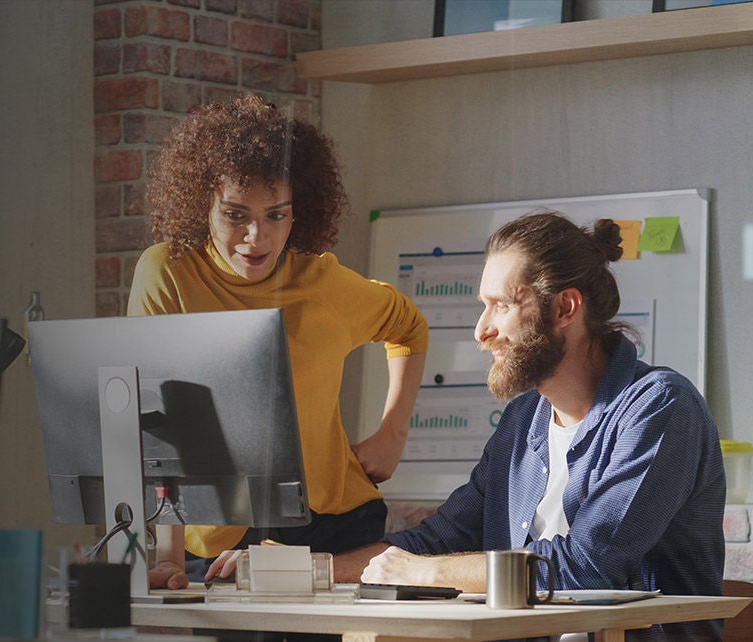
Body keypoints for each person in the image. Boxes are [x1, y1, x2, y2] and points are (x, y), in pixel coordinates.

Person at [338, 211, 725, 640]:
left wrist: (425, 573)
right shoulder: (523, 421)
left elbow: (587, 567)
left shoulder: (660, 408)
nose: (481, 331)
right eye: (483, 306)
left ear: (564, 308)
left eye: (501, 305)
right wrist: (314, 570)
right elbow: (439, 539)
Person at [128, 94, 429, 592]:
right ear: (203, 204)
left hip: (334, 527)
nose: (257, 237)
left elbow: (409, 326)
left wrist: (391, 435)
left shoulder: (324, 284)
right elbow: (158, 424)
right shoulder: (168, 274)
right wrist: (167, 555)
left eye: (276, 215)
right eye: (235, 214)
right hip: (215, 538)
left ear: (297, 212)